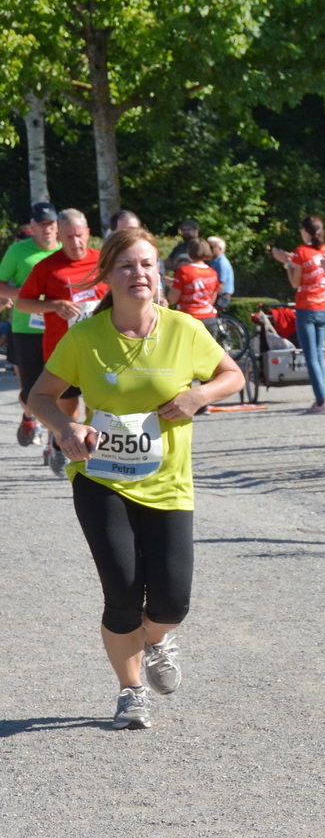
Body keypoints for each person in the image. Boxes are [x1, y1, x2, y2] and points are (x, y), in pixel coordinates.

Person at [24, 226, 243, 730]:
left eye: (146, 264)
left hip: (168, 481)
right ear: (107, 276)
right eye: (126, 265)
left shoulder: (185, 329)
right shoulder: (85, 337)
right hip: (100, 478)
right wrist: (66, 425)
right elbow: (39, 395)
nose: (138, 273)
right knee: (122, 591)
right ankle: (130, 692)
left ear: (158, 274)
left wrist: (197, 397)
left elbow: (232, 375)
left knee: (172, 600)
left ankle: (155, 638)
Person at [14, 209, 103, 475]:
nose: (75, 243)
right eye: (69, 237)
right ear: (59, 237)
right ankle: (60, 441)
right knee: (69, 407)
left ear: (88, 234)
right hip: (62, 351)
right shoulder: (46, 267)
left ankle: (97, 456)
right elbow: (22, 303)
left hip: (101, 350)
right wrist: (54, 306)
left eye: (79, 236)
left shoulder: (103, 261)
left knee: (100, 405)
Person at [0, 201, 60, 447]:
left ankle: (53, 443)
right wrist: (22, 294)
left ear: (57, 226)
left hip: (59, 328)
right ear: (32, 226)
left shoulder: (66, 250)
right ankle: (29, 417)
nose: (47, 229)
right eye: (41, 224)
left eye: (51, 224)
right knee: (30, 391)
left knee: (61, 389)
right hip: (27, 329)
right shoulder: (18, 252)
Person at [269, 215, 325, 414]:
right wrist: (293, 259)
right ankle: (324, 394)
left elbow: (294, 282)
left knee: (311, 356)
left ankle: (320, 401)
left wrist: (286, 262)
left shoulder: (301, 251)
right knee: (319, 352)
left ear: (305, 231)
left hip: (306, 307)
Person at [169, 239, 223, 334]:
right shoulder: (213, 272)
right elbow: (212, 299)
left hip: (188, 317)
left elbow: (173, 298)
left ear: (189, 252)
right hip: (210, 317)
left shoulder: (183, 271)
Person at [208, 236, 236, 312]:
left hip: (221, 297)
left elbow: (220, 284)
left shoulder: (221, 263)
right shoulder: (216, 261)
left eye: (211, 247)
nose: (208, 249)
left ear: (219, 249)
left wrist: (211, 300)